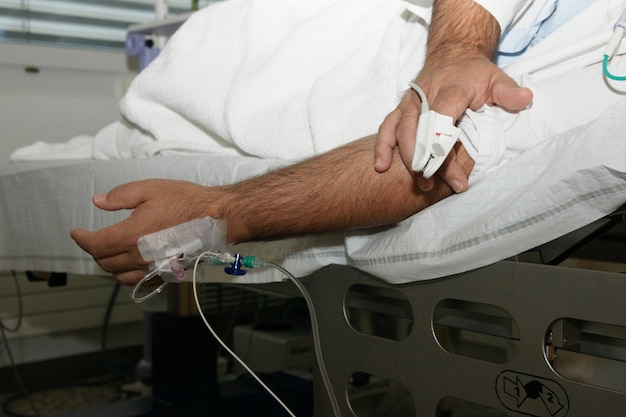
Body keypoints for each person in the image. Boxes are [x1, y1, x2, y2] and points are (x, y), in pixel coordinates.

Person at [69, 0, 538, 285]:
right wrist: (456, 48)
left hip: (369, 66)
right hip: (354, 28)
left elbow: (421, 161)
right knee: (234, 39)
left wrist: (216, 214)